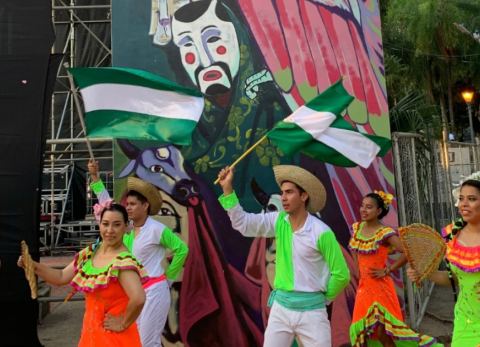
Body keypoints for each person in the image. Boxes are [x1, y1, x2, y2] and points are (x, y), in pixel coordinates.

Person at [217, 164, 350, 347]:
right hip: (281, 309)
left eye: (289, 192)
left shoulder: (321, 232)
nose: (283, 198)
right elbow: (243, 224)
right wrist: (227, 189)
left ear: (304, 196)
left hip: (312, 313)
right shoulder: (278, 221)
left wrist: (321, 300)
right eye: (282, 192)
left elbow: (341, 274)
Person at [88, 159, 189, 347]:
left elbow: (182, 249)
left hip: (153, 293)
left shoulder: (157, 229)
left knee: (147, 343)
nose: (128, 207)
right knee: (134, 341)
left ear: (146, 206)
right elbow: (107, 204)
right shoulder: (126, 229)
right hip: (133, 294)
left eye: (133, 204)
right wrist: (95, 177)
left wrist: (168, 278)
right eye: (127, 204)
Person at [18, 203, 147, 347]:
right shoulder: (91, 252)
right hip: (90, 336)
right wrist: (32, 265)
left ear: (125, 226)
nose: (110, 230)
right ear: (100, 224)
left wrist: (123, 323)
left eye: (116, 225)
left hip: (114, 339)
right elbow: (61, 276)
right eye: (105, 224)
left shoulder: (123, 261)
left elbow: (138, 298)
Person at [349, 191, 440, 347]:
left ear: (379, 211)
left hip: (380, 289)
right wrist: (358, 274)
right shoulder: (358, 228)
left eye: (369, 207)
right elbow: (355, 252)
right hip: (364, 289)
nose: (363, 210)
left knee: (384, 332)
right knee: (365, 331)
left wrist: (388, 269)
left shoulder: (385, 233)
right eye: (362, 206)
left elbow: (407, 252)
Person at [407, 179, 480, 346]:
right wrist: (425, 273)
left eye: (472, 199)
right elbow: (453, 278)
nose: (464, 204)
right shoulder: (452, 235)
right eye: (461, 198)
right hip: (465, 323)